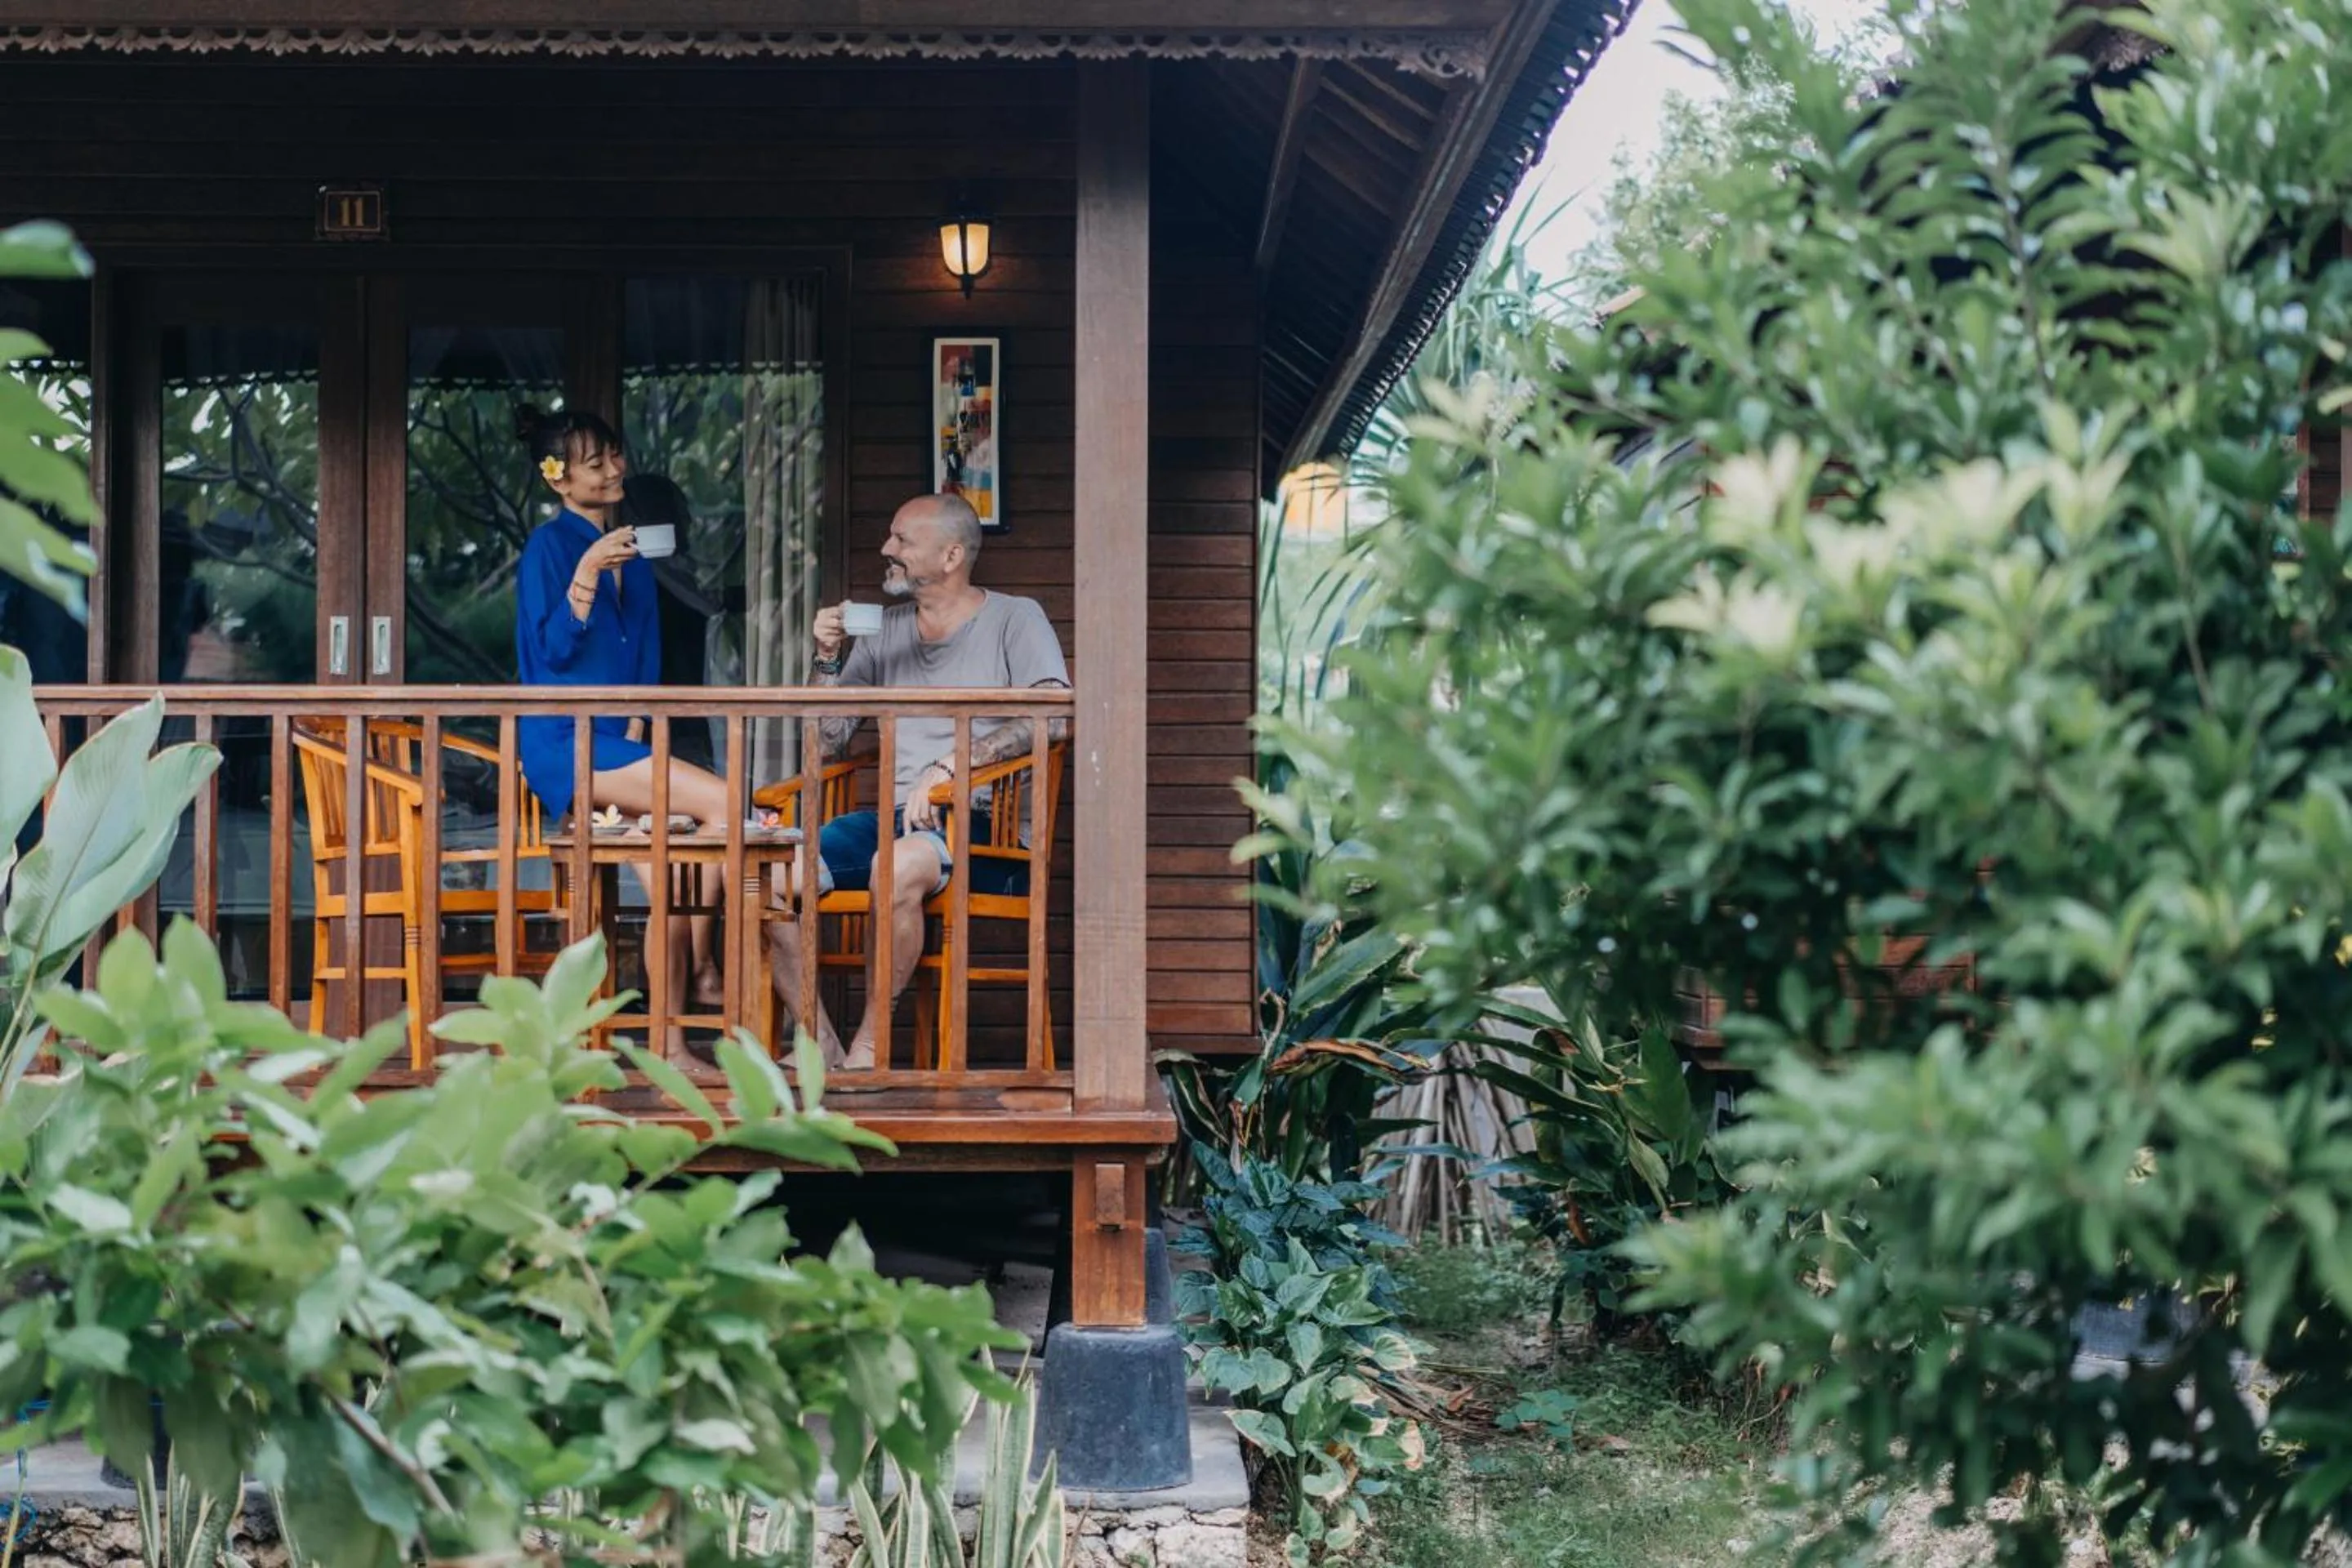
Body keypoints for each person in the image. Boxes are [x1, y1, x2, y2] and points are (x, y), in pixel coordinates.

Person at [767, 492, 1067, 1070]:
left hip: (989, 831)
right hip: (898, 823)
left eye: (902, 540)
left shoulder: (1015, 618)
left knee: (896, 863)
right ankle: (816, 1039)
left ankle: (870, 1048)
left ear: (951, 556)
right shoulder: (883, 630)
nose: (887, 548)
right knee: (768, 875)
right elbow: (827, 740)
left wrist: (956, 764)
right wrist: (827, 658)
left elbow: (1054, 715)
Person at [511, 406, 732, 1062]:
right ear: (558, 478)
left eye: (615, 456)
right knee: (723, 803)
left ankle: (671, 1042)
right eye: (595, 462)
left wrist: (638, 719)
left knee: (674, 879)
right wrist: (585, 574)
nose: (615, 469)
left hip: (620, 743)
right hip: (563, 743)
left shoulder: (632, 555)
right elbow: (551, 654)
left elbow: (645, 656)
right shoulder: (548, 548)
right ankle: (704, 970)